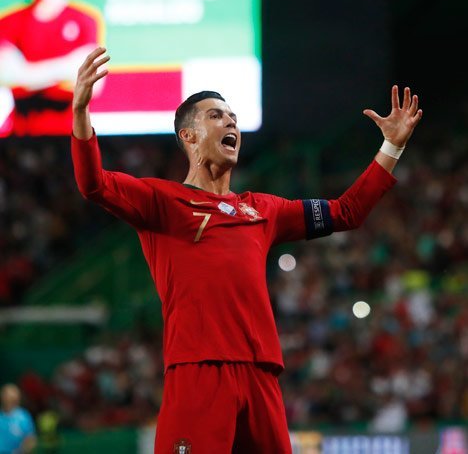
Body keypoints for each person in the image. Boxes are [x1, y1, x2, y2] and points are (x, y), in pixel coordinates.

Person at [71, 47, 423, 453]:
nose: (230, 121)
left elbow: (346, 212)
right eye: (216, 115)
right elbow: (92, 184)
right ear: (188, 135)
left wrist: (391, 148)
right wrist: (81, 112)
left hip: (261, 374)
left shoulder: (263, 209)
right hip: (199, 370)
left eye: (233, 116)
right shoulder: (161, 201)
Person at [0, 0, 104, 136]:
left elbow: (92, 86)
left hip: (70, 142)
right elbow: (6, 75)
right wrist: (67, 67)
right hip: (18, 142)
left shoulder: (85, 20)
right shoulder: (8, 22)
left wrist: (26, 74)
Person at [0, 384, 37, 454]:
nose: (9, 400)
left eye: (13, 398)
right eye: (7, 397)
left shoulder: (23, 417)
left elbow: (30, 440)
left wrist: (21, 451)